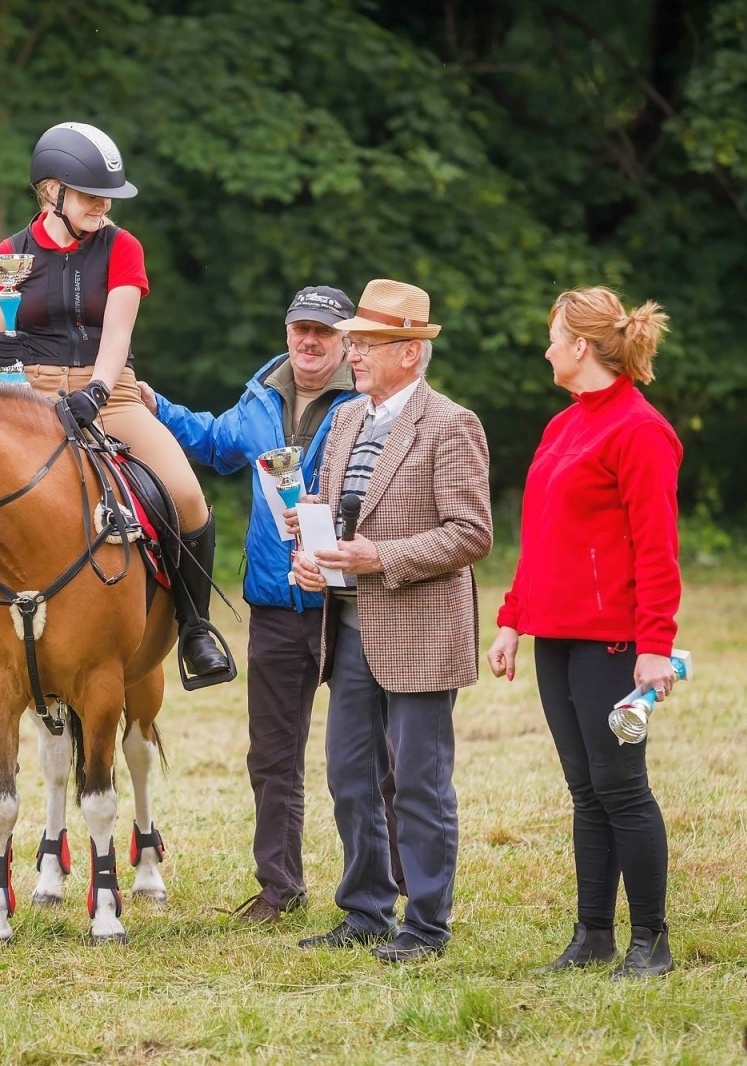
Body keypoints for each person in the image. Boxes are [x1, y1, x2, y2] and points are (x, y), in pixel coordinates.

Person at [0, 121, 235, 691]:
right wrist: (5, 353)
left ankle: (196, 630)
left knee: (187, 495)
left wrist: (96, 392)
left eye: (107, 197)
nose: (103, 206)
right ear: (52, 191)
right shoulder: (7, 256)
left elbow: (118, 332)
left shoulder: (123, 247)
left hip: (110, 394)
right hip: (29, 400)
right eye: (91, 195)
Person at [138, 285, 405, 923]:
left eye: (323, 331)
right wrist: (154, 406)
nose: (309, 341)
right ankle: (280, 887)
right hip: (276, 601)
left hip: (352, 600)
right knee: (273, 754)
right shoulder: (260, 397)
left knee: (371, 755)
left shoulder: (370, 400)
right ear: (287, 331)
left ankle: (387, 884)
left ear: (347, 339)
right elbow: (211, 443)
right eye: (299, 328)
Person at [289, 278, 492, 963]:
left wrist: (382, 557)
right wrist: (311, 552)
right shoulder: (348, 418)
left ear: (410, 352)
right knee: (349, 778)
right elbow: (335, 512)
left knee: (419, 784)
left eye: (367, 343)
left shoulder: (451, 424)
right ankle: (367, 910)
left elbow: (472, 533)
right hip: (347, 626)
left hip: (421, 629)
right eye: (354, 343)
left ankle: (427, 924)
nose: (353, 354)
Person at [486, 286, 681, 979]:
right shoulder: (562, 426)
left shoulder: (640, 430)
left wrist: (656, 644)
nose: (545, 349)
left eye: (553, 337)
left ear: (580, 347)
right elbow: (540, 537)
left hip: (616, 645)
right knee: (584, 788)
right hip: (555, 639)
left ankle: (650, 941)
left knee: (621, 784)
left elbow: (657, 548)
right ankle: (593, 934)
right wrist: (512, 618)